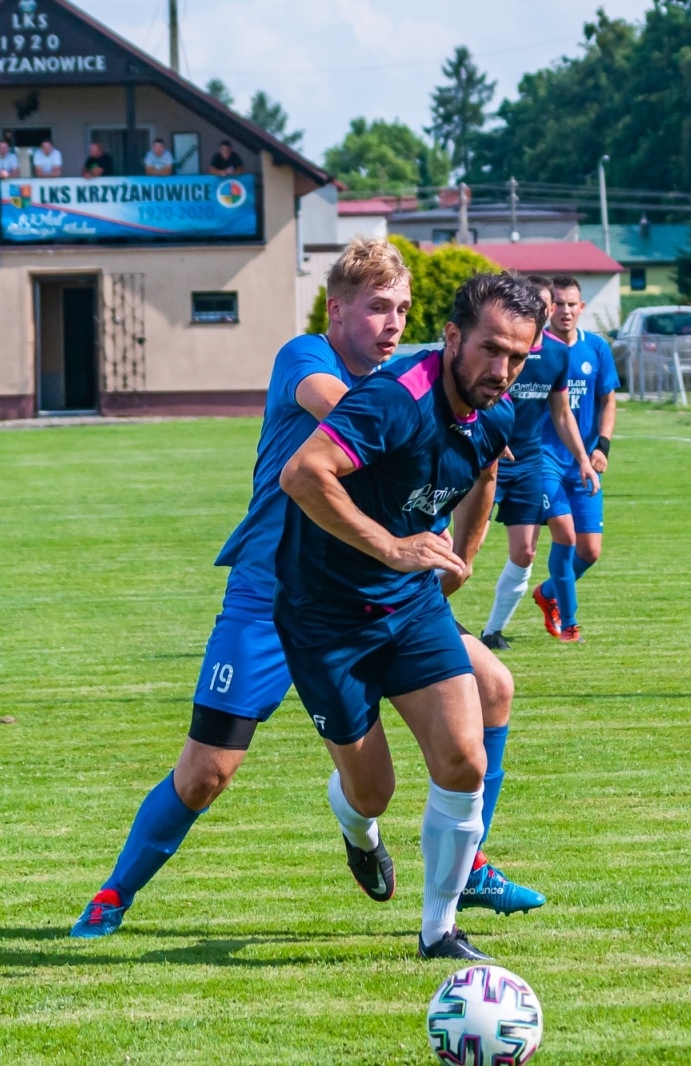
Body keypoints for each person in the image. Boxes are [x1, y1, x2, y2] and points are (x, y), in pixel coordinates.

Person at [69, 240, 544, 942]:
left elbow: (474, 467)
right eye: (378, 307)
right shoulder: (309, 360)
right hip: (270, 595)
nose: (392, 323)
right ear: (336, 308)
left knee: (493, 687)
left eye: (403, 309)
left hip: (376, 592)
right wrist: (427, 404)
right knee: (206, 772)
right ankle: (115, 892)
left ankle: (465, 865)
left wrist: (455, 560)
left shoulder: (420, 389)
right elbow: (357, 420)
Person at [274, 272, 541, 961]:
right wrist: (394, 546)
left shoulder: (498, 411)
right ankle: (357, 831)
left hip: (411, 607)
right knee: (374, 792)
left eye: (518, 356)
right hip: (325, 616)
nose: (502, 369)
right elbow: (303, 474)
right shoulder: (394, 401)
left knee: (463, 759)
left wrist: (466, 554)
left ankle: (439, 932)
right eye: (489, 349)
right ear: (452, 336)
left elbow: (484, 476)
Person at [478, 274, 598, 651]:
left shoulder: (557, 354)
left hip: (529, 462)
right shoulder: (499, 349)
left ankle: (492, 632)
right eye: (536, 303)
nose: (544, 311)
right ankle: (424, 618)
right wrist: (490, 442)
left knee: (526, 551)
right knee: (466, 549)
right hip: (486, 460)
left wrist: (584, 459)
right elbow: (474, 401)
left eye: (546, 304)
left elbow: (561, 414)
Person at [529, 275, 618, 644]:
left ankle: (548, 592)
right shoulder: (535, 349)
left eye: (571, 304)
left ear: (582, 308)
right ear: (548, 308)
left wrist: (602, 447)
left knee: (590, 550)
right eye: (558, 304)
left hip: (584, 461)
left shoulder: (596, 348)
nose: (564, 311)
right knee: (564, 537)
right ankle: (570, 623)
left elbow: (608, 400)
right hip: (543, 458)